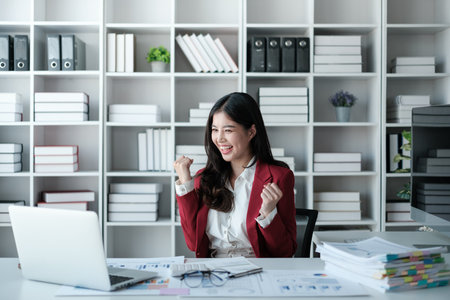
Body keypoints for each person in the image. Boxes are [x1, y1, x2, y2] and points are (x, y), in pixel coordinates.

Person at [173, 92, 297, 258]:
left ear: (251, 132)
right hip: (214, 271)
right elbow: (193, 243)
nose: (219, 139)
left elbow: (285, 252)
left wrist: (269, 213)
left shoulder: (279, 177)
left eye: (228, 130)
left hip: (257, 270)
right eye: (215, 130)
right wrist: (185, 184)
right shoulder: (204, 178)